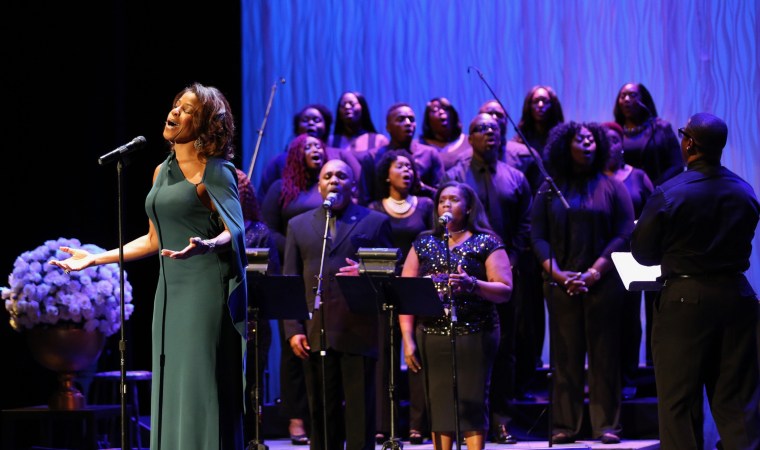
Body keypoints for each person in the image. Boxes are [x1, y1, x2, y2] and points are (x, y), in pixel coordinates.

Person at [51, 83, 248, 448]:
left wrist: (207, 245)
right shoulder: (161, 171)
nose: (175, 112)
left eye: (188, 109)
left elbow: (234, 232)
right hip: (170, 293)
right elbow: (154, 239)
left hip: (205, 289)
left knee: (199, 381)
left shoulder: (217, 171)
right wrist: (97, 257)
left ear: (207, 124)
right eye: (176, 105)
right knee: (172, 380)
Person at [631, 113, 760, 450]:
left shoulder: (670, 193)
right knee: (739, 403)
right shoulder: (745, 191)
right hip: (739, 296)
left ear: (689, 143)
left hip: (685, 301)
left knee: (678, 403)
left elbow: (642, 255)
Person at [531, 122, 635, 445]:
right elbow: (537, 236)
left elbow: (624, 233)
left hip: (602, 283)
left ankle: (607, 426)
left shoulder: (613, 186)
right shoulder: (549, 188)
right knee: (565, 355)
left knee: (605, 354)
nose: (587, 143)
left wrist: (594, 272)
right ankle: (566, 426)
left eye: (592, 139)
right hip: (561, 284)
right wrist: (560, 274)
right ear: (566, 146)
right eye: (580, 139)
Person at [283, 159, 394, 450]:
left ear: (353, 185)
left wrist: (367, 270)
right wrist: (293, 328)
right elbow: (290, 279)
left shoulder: (375, 221)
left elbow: (391, 274)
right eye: (328, 175)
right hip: (314, 329)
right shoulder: (298, 224)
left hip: (358, 328)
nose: (334, 180)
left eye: (342, 175)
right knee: (321, 409)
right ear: (319, 186)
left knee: (360, 411)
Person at [400, 181, 513, 450]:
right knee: (439, 402)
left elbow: (505, 290)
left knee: (473, 399)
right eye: (441, 200)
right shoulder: (423, 242)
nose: (446, 204)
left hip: (476, 331)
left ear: (470, 207)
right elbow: (406, 293)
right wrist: (407, 338)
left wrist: (473, 284)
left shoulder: (486, 241)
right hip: (430, 333)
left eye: (453, 199)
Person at [443, 114, 532, 444]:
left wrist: (512, 261)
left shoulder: (515, 177)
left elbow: (526, 223)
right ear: (470, 137)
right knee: (464, 350)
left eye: (494, 128)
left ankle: (500, 420)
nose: (488, 133)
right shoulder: (455, 175)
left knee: (504, 348)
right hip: (459, 275)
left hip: (502, 276)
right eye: (480, 129)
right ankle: (462, 421)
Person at [261, 133, 327, 444]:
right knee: (294, 347)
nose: (316, 149)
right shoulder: (281, 189)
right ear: (296, 154)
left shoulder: (330, 186)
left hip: (323, 272)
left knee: (324, 341)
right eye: (308, 146)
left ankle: (324, 415)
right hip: (290, 271)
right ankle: (296, 417)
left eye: (319, 146)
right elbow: (268, 228)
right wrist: (297, 250)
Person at [368, 150, 434, 444]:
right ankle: (384, 422)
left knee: (417, 353)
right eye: (399, 166)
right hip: (384, 290)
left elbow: (433, 244)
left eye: (410, 166)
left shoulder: (427, 206)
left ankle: (418, 423)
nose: (406, 170)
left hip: (417, 288)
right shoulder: (373, 208)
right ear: (386, 174)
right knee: (384, 356)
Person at [601, 122, 654, 394]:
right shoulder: (594, 178)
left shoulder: (638, 176)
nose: (608, 144)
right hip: (601, 259)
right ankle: (604, 381)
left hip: (633, 257)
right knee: (603, 322)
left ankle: (629, 380)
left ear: (622, 143)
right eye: (603, 140)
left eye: (613, 139)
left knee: (630, 321)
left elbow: (656, 212)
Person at [236, 168, 281, 442]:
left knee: (252, 383)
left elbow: (273, 281)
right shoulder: (211, 230)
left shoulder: (259, 232)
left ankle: (253, 437)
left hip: (254, 322)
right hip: (222, 319)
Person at [258, 104, 362, 202]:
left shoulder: (341, 156)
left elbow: (359, 188)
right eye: (305, 120)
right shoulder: (280, 161)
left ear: (326, 127)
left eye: (317, 120)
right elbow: (263, 199)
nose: (311, 123)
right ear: (297, 128)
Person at [359, 103, 445, 204]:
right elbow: (365, 200)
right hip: (382, 217)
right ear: (388, 128)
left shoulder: (429, 154)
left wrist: (422, 188)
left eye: (411, 119)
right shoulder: (373, 158)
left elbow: (443, 197)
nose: (408, 123)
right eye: (401, 119)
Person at [613, 83, 683, 187]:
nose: (626, 99)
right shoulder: (615, 132)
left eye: (633, 95)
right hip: (625, 193)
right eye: (622, 96)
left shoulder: (662, 129)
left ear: (644, 100)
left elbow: (677, 165)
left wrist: (653, 187)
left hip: (659, 192)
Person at [419, 97, 473, 170]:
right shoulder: (419, 145)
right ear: (428, 119)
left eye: (446, 109)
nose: (441, 111)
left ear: (453, 114)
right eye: (435, 110)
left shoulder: (470, 142)